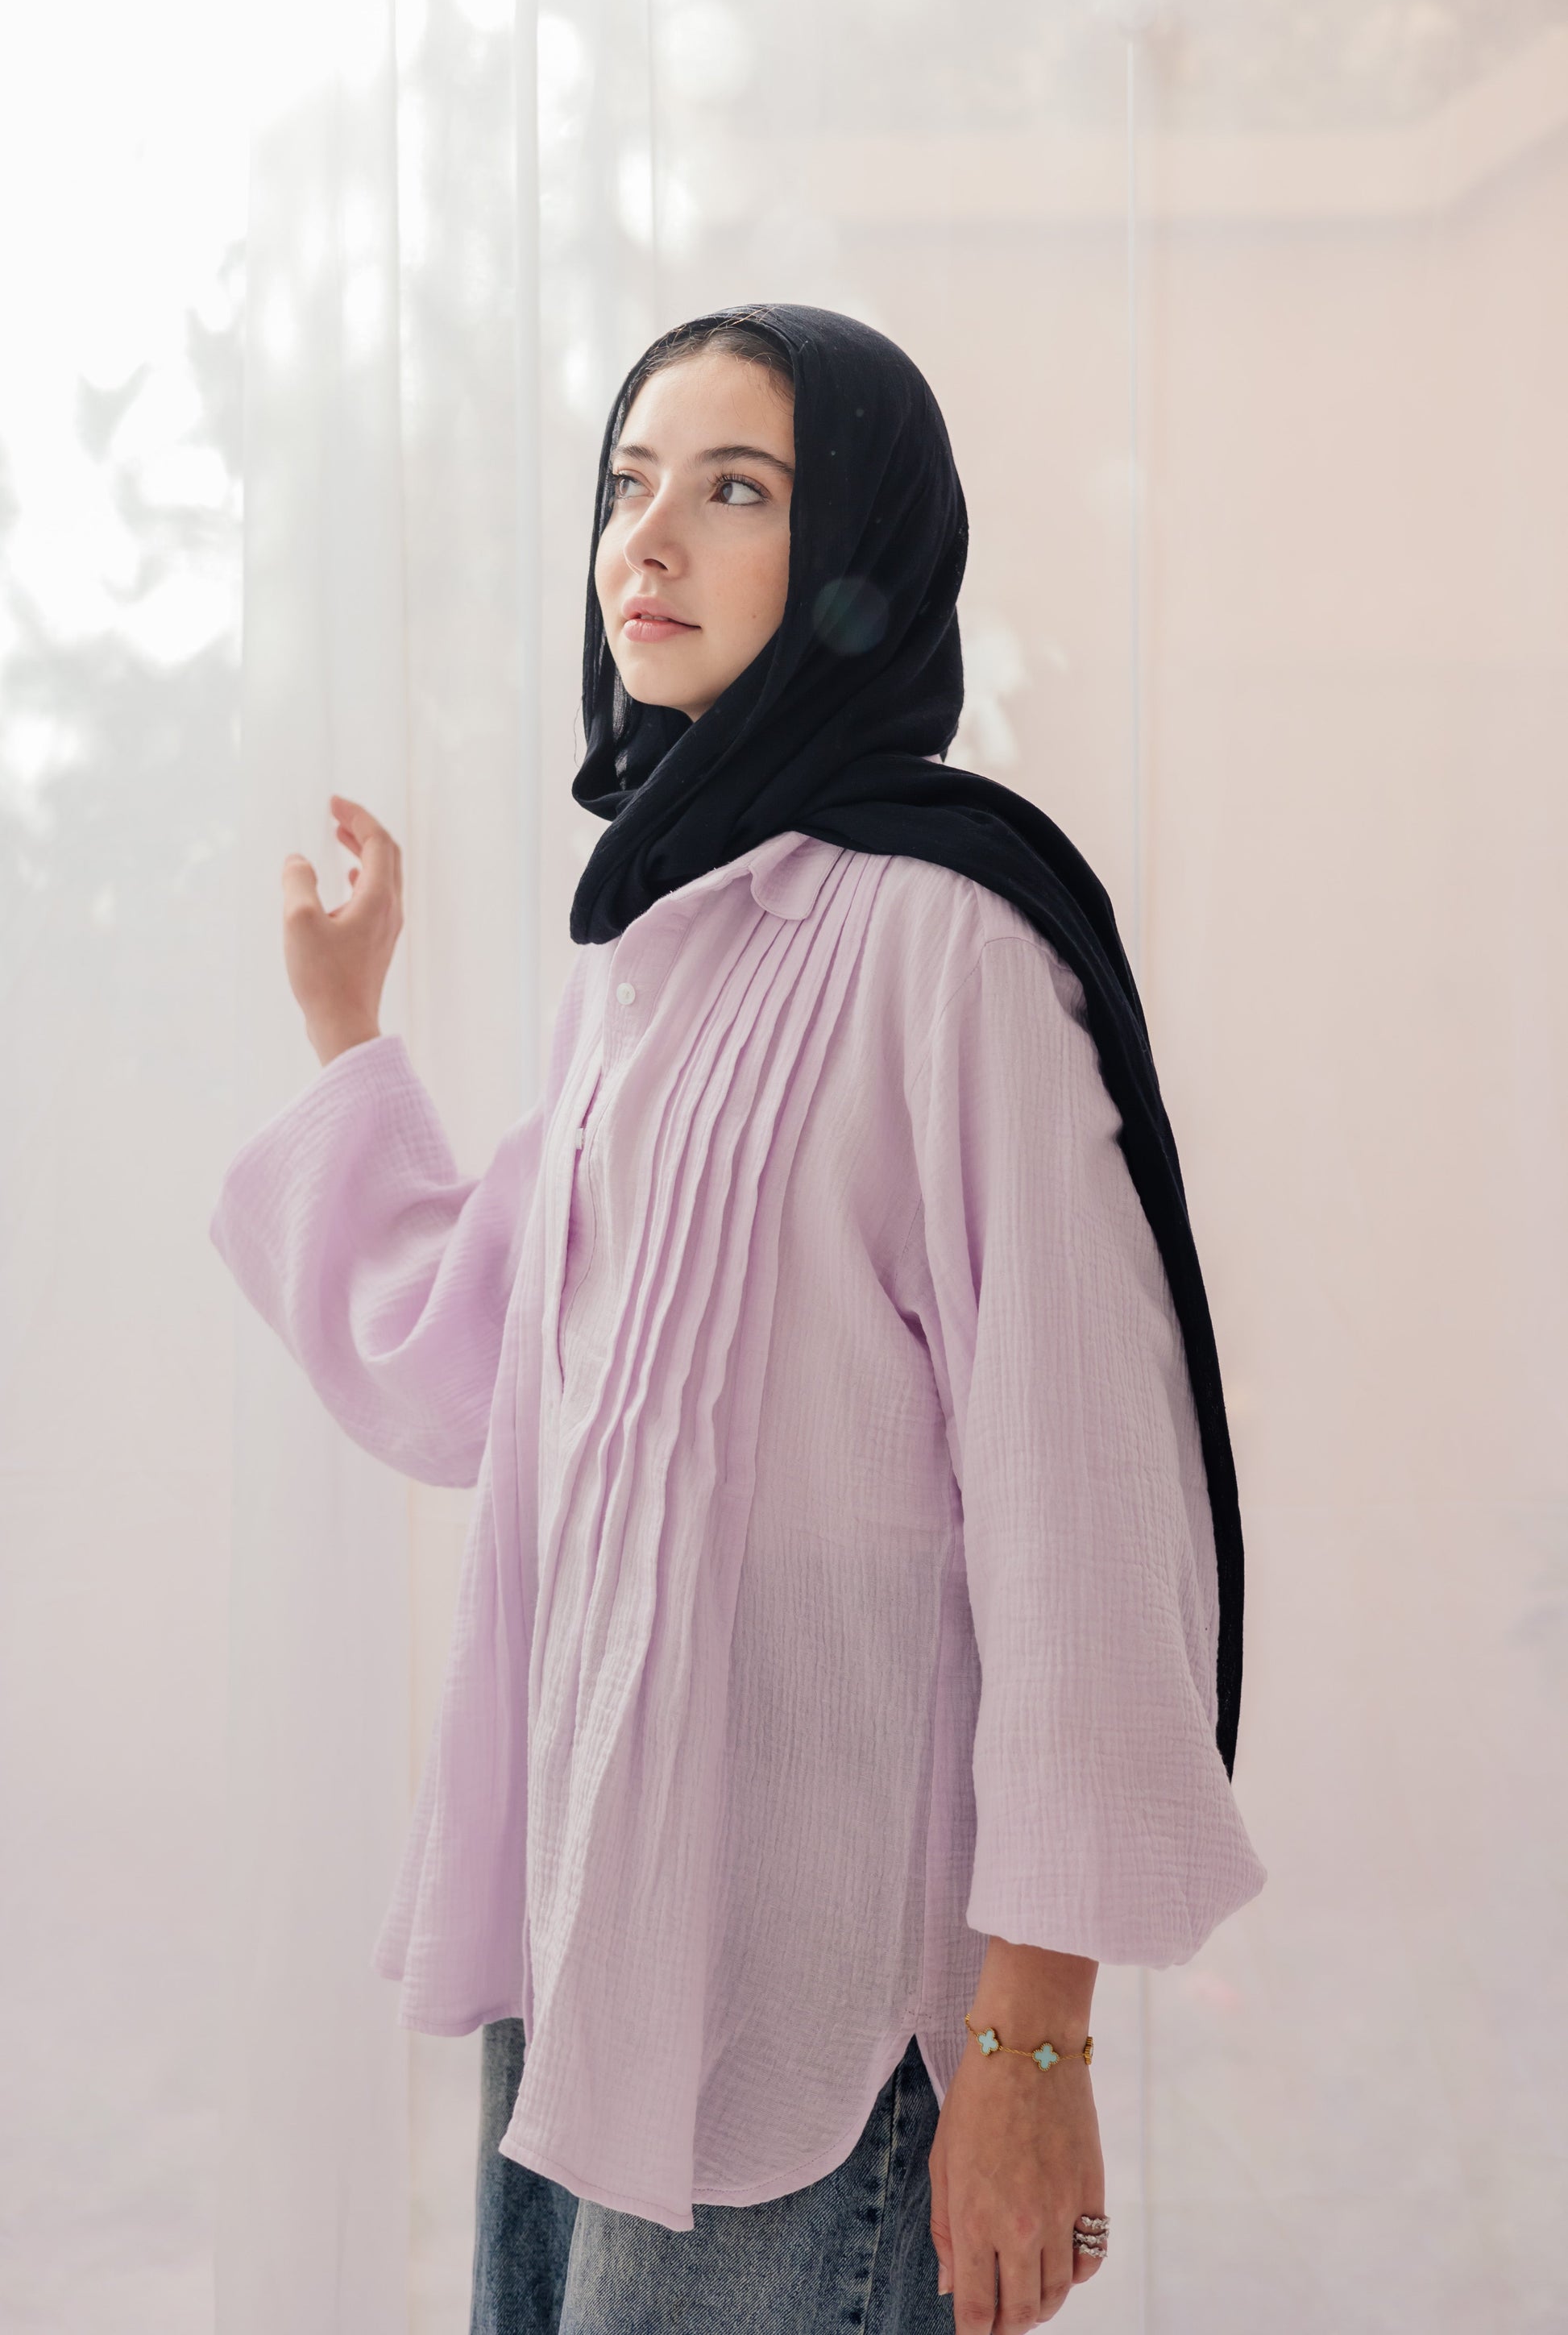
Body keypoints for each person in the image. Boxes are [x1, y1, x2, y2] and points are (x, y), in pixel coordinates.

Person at [210, 304, 1266, 2335]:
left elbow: (1085, 1507)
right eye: (628, 484)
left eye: (737, 489)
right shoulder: (650, 950)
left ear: (858, 551)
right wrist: (348, 1026)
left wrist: (1032, 2041)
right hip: (596, 1947)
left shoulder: (949, 941)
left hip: (823, 2002)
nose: (651, 537)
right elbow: (482, 1367)